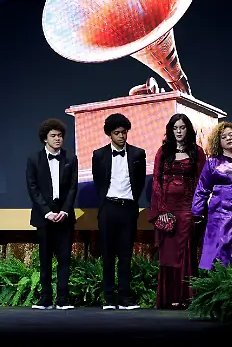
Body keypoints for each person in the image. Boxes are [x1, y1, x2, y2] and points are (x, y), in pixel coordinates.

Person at [149, 114, 207, 309]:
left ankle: (186, 298)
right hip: (168, 210)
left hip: (187, 209)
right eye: (175, 128)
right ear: (171, 130)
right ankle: (168, 298)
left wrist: (197, 209)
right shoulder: (163, 151)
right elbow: (156, 180)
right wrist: (162, 210)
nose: (179, 131)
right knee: (168, 255)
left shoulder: (197, 151)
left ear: (188, 129)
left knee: (186, 253)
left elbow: (202, 182)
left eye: (182, 127)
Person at [92, 113, 147, 310]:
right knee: (107, 254)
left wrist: (132, 202)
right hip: (108, 208)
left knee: (125, 255)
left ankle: (125, 297)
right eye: (117, 133)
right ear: (109, 134)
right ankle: (108, 297)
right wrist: (106, 201)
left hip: (128, 209)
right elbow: (98, 182)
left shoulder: (138, 154)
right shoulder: (99, 155)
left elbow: (140, 182)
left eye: (124, 132)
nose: (122, 136)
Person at [26, 118, 79, 310]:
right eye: (53, 136)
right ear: (44, 139)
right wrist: (48, 213)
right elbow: (33, 188)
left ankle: (63, 299)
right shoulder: (34, 159)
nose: (58, 139)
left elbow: (73, 188)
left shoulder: (71, 159)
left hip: (64, 215)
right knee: (45, 258)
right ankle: (45, 298)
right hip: (44, 216)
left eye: (60, 135)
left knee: (64, 258)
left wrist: (64, 211)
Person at [192, 122, 232, 269]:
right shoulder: (213, 162)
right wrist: (197, 213)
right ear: (218, 142)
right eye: (223, 137)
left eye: (231, 134)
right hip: (219, 215)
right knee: (220, 251)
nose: (228, 138)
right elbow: (202, 188)